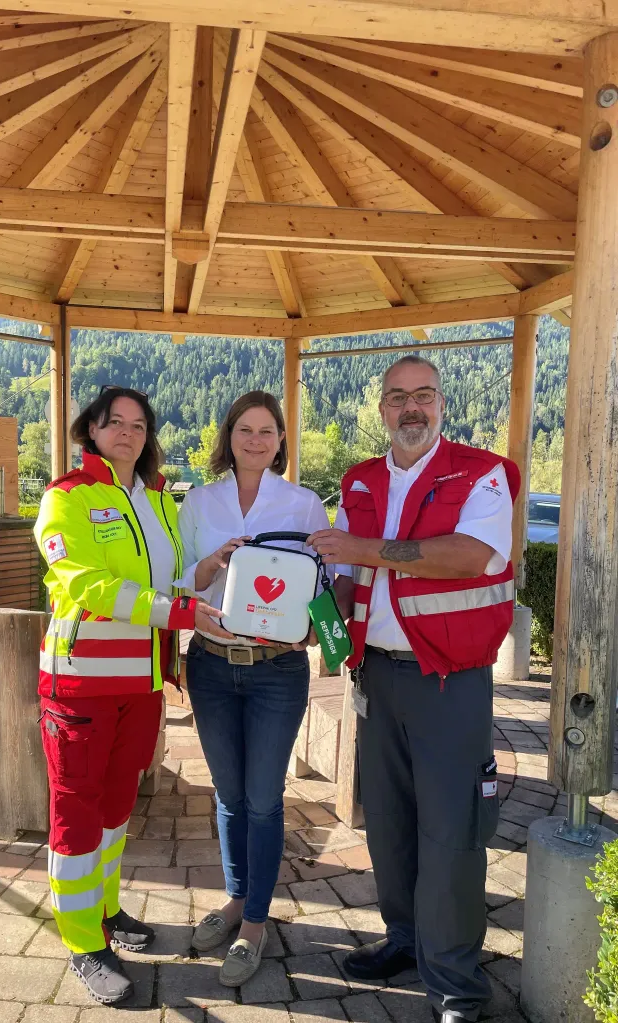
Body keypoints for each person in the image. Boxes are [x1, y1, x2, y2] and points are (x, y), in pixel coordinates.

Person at [308, 355, 519, 1023]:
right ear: (380, 409)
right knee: (390, 825)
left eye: (423, 395)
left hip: (450, 684)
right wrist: (320, 610)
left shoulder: (483, 473)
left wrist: (366, 549)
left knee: (452, 830)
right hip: (375, 674)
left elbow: (472, 555)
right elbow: (347, 573)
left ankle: (456, 982)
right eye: (397, 397)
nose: (410, 408)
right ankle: (405, 938)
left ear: (442, 404)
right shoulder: (361, 479)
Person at [33, 386, 226, 1007]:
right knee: (76, 814)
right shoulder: (66, 498)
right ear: (90, 429)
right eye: (113, 422)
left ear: (148, 436)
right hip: (81, 684)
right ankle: (84, 943)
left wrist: (210, 570)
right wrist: (178, 611)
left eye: (138, 425)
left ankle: (108, 910)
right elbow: (86, 584)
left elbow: (167, 582)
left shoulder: (159, 501)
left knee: (117, 809)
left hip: (140, 688)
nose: (126, 433)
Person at [177, 390, 329, 987]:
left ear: (281, 439)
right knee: (229, 795)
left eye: (268, 431)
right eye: (246, 429)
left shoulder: (304, 503)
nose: (256, 440)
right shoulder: (198, 501)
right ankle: (237, 900)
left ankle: (255, 925)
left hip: (275, 673)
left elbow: (330, 582)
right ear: (229, 435)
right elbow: (177, 578)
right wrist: (208, 570)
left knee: (264, 799)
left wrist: (315, 633)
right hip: (212, 666)